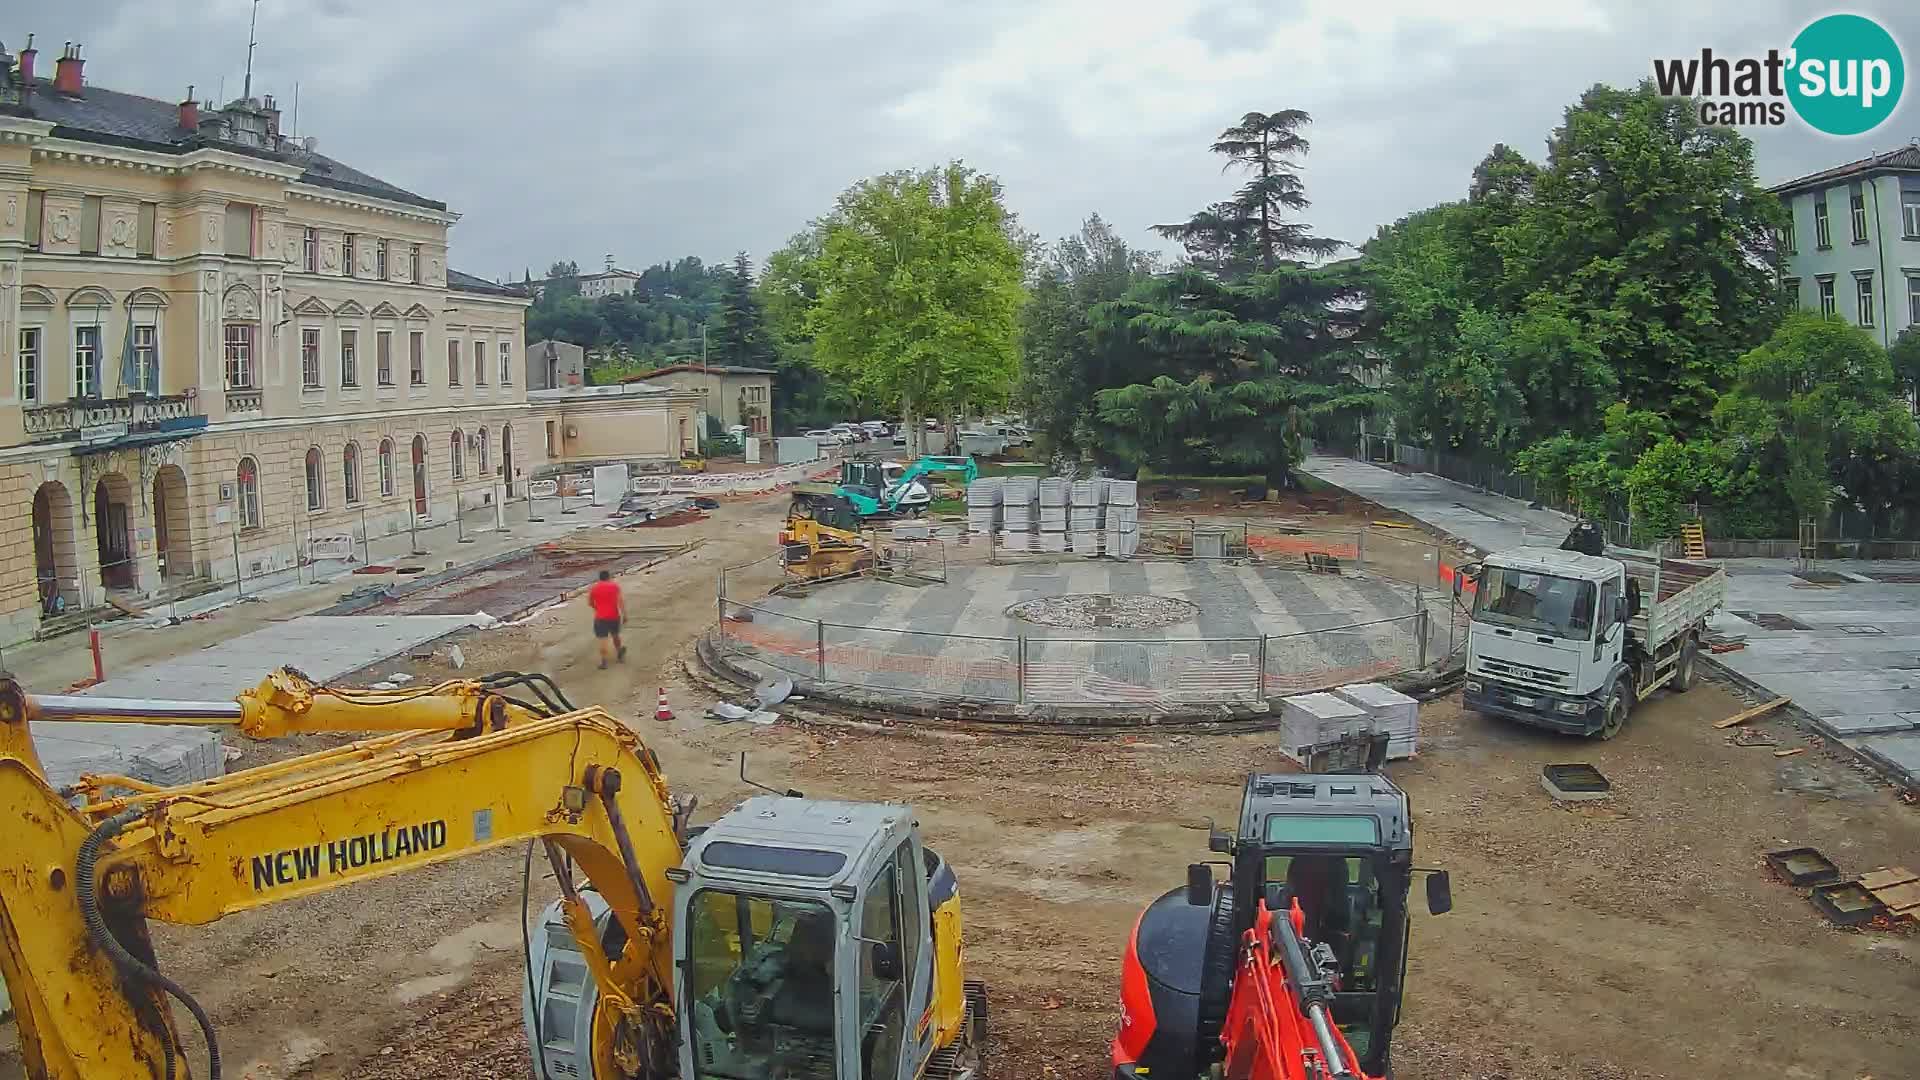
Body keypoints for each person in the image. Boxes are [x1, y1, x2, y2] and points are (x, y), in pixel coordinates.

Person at [587, 569, 626, 669]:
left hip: (600, 617)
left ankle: (604, 661)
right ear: (608, 577)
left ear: (599, 578)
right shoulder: (614, 586)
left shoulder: (594, 588)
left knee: (603, 640)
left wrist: (598, 609)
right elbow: (620, 601)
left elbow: (590, 603)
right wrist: (625, 614)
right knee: (615, 635)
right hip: (614, 616)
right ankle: (619, 653)